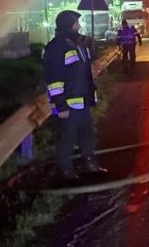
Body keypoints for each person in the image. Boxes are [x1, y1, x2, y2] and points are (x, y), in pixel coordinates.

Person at [43, 10, 107, 181]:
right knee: (67, 140)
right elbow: (54, 80)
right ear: (68, 25)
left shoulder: (78, 44)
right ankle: (65, 173)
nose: (79, 26)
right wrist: (61, 106)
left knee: (87, 135)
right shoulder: (56, 47)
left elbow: (84, 73)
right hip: (68, 106)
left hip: (82, 102)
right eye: (76, 23)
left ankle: (90, 166)